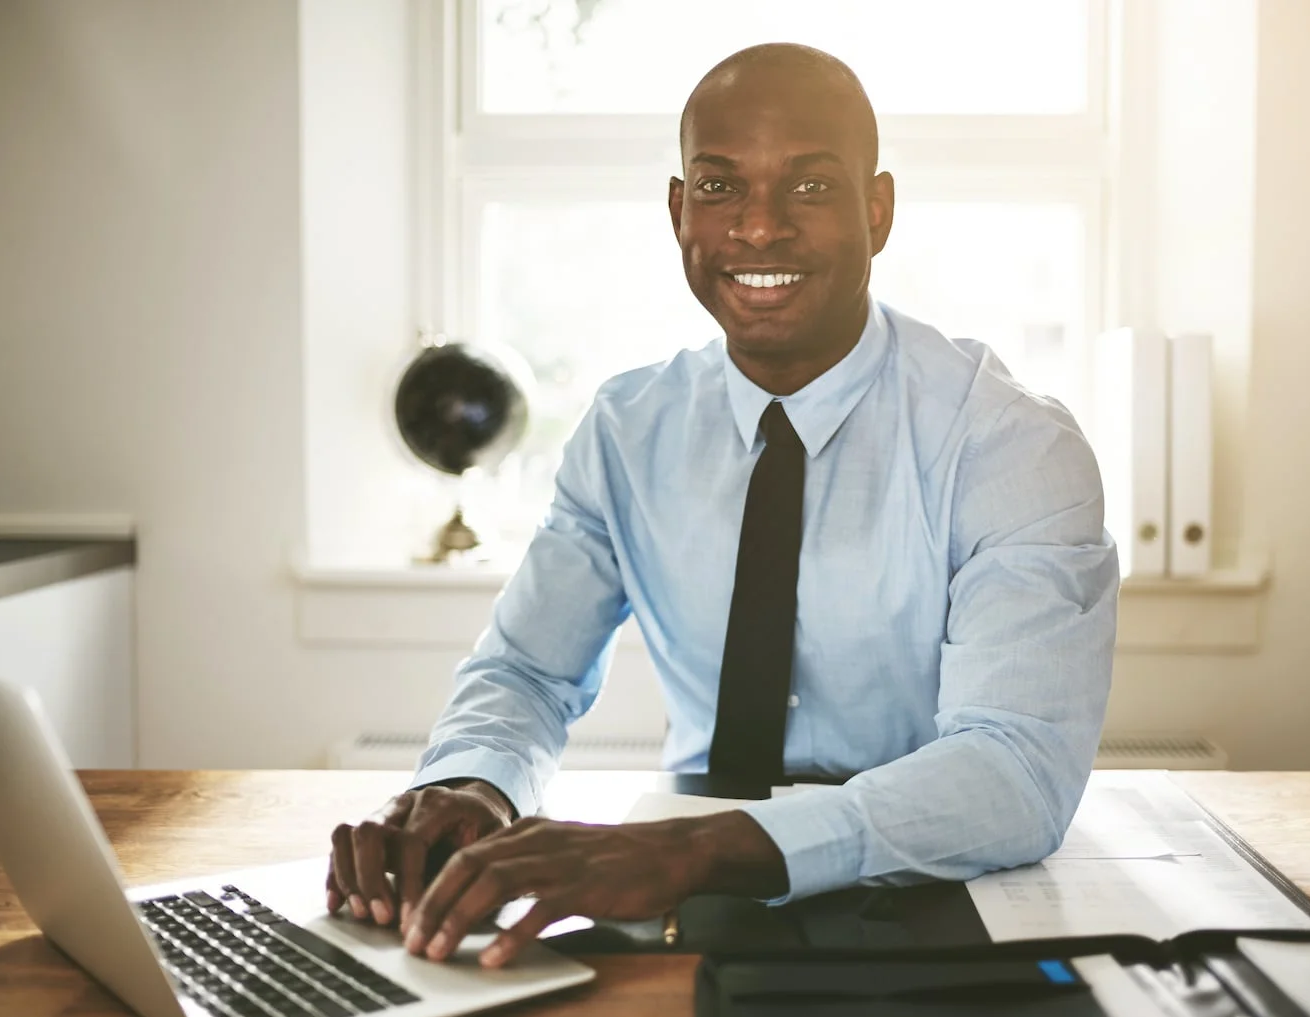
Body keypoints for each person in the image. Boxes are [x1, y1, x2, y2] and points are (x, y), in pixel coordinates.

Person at [326, 42, 1118, 969]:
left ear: (878, 209)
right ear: (678, 211)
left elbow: (1015, 770)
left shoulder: (1008, 444)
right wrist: (472, 787)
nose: (759, 228)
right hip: (681, 901)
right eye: (720, 187)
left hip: (937, 894)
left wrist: (692, 846)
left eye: (811, 189)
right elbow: (528, 673)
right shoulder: (628, 430)